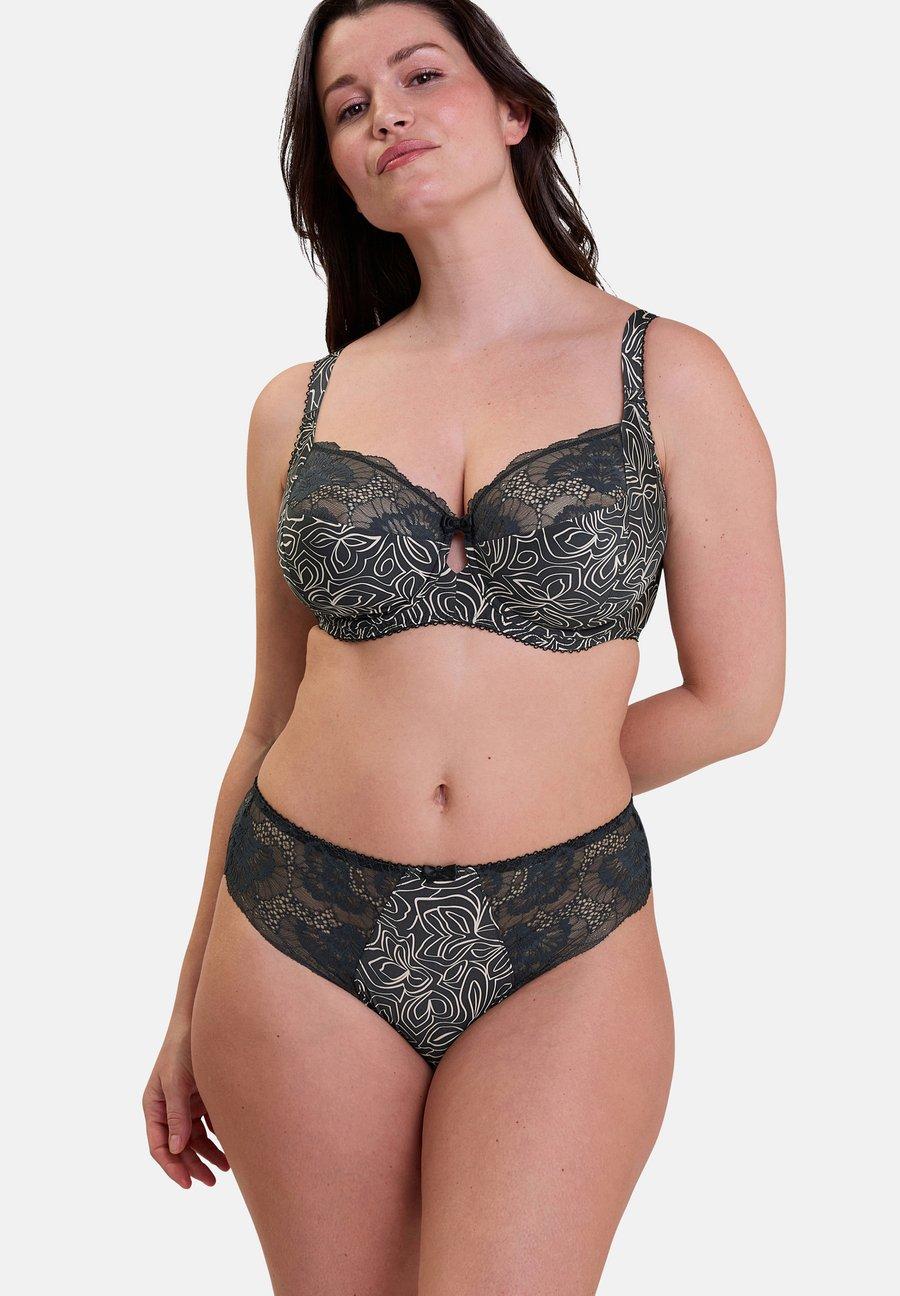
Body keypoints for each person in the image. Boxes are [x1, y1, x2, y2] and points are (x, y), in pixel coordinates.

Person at [142, 1, 785, 1291]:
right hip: (295, 923)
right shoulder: (296, 409)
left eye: (419, 74)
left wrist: (532, 773)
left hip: (563, 928)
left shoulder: (672, 375)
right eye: (346, 106)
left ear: (512, 109)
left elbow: (738, 701)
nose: (384, 112)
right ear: (340, 170)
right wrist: (183, 1004)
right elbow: (270, 718)